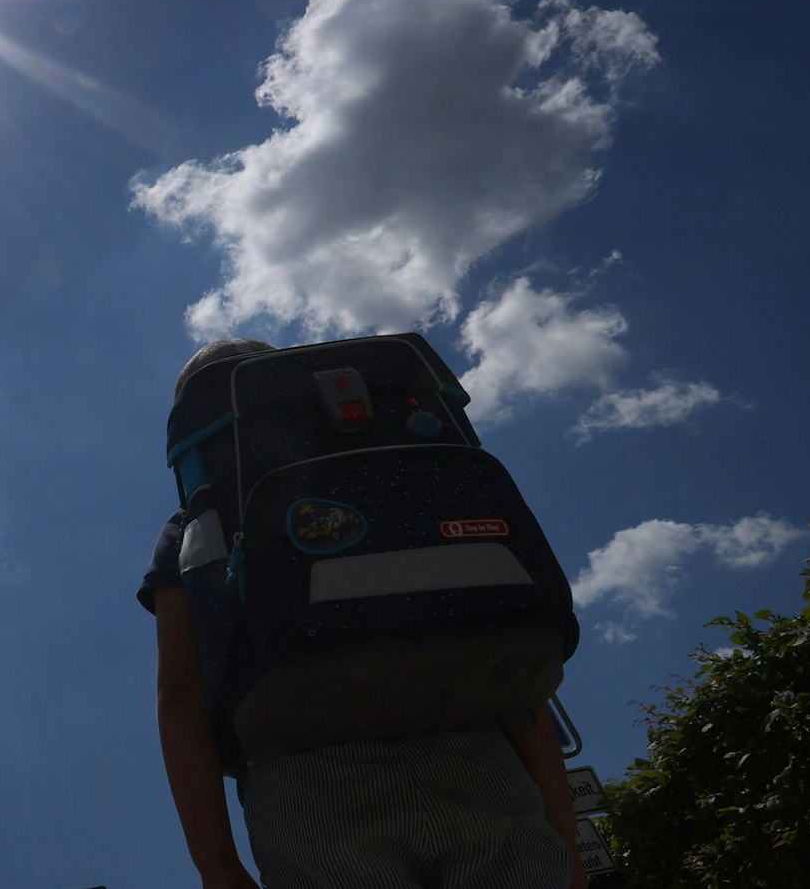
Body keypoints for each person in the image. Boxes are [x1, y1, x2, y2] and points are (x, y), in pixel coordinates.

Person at [140, 339, 585, 889]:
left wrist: (217, 865)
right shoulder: (424, 481)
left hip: (303, 780)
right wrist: (566, 844)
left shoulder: (191, 527)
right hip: (475, 747)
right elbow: (518, 686)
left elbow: (180, 695)